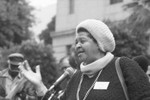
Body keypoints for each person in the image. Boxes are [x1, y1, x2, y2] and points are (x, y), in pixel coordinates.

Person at [19, 19, 150, 100]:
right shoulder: (76, 77)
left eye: (82, 41)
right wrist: (40, 86)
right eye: (76, 42)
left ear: (99, 44)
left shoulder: (122, 65)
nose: (77, 45)